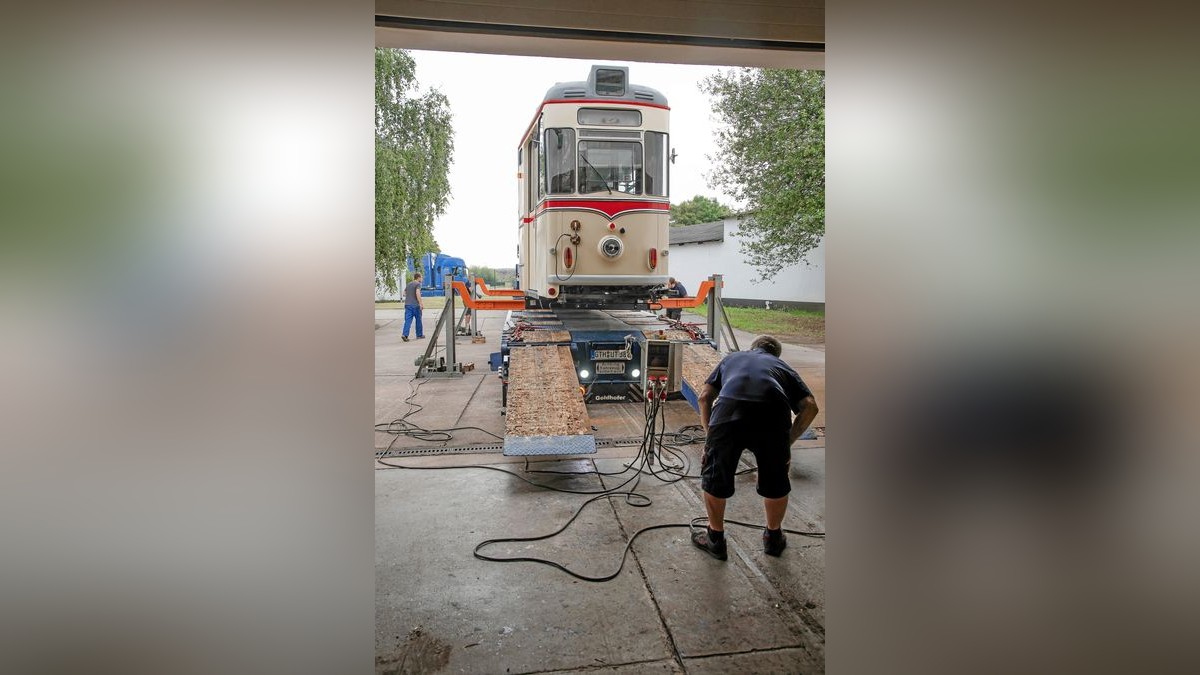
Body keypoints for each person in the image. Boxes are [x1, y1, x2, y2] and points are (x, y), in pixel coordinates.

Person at [692, 335, 819, 560]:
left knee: (715, 477)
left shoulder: (733, 358)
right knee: (775, 480)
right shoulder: (781, 366)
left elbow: (704, 398)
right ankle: (773, 538)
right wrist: (786, 443)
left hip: (728, 414)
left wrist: (710, 438)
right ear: (775, 355)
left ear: (751, 349)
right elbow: (810, 407)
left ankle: (715, 539)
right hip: (772, 417)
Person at [401, 272, 425, 342]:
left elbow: (404, 293)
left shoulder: (409, 284)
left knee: (407, 321)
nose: (422, 279)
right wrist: (421, 303)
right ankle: (419, 335)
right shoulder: (418, 284)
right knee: (418, 320)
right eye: (421, 277)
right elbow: (417, 293)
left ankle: (405, 335)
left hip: (407, 305)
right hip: (415, 305)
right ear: (418, 278)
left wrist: (410, 295)